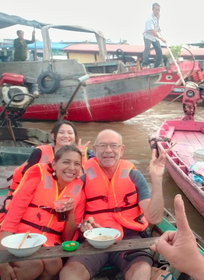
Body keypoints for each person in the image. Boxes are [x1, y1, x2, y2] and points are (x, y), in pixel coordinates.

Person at [59, 129, 166, 280]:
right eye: (102, 145)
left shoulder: (134, 176)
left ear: (121, 150)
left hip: (131, 238)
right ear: (94, 150)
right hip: (93, 239)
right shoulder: (82, 175)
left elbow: (154, 219)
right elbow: (70, 210)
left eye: (113, 145)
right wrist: (82, 224)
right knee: (69, 275)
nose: (108, 150)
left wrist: (157, 178)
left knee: (141, 272)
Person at [0, 145, 86, 280]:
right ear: (54, 164)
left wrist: (71, 212)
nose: (72, 168)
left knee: (54, 263)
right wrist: (2, 261)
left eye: (77, 164)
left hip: (49, 243)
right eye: (66, 162)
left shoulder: (79, 192)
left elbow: (68, 238)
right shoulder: (37, 179)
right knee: (33, 265)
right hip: (19, 238)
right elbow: (10, 221)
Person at [3, 120, 90, 201]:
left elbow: (83, 182)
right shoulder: (39, 152)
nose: (66, 136)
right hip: (38, 196)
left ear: (75, 137)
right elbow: (25, 177)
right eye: (61, 132)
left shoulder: (82, 155)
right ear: (53, 136)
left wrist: (80, 158)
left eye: (70, 133)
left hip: (66, 199)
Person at [142, 3, 166, 68]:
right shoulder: (150, 19)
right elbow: (152, 30)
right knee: (147, 48)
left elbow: (156, 26)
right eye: (156, 10)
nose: (157, 11)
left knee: (159, 50)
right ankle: (144, 65)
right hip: (148, 35)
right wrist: (161, 38)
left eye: (158, 10)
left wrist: (158, 28)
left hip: (154, 36)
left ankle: (157, 65)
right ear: (152, 9)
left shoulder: (158, 17)